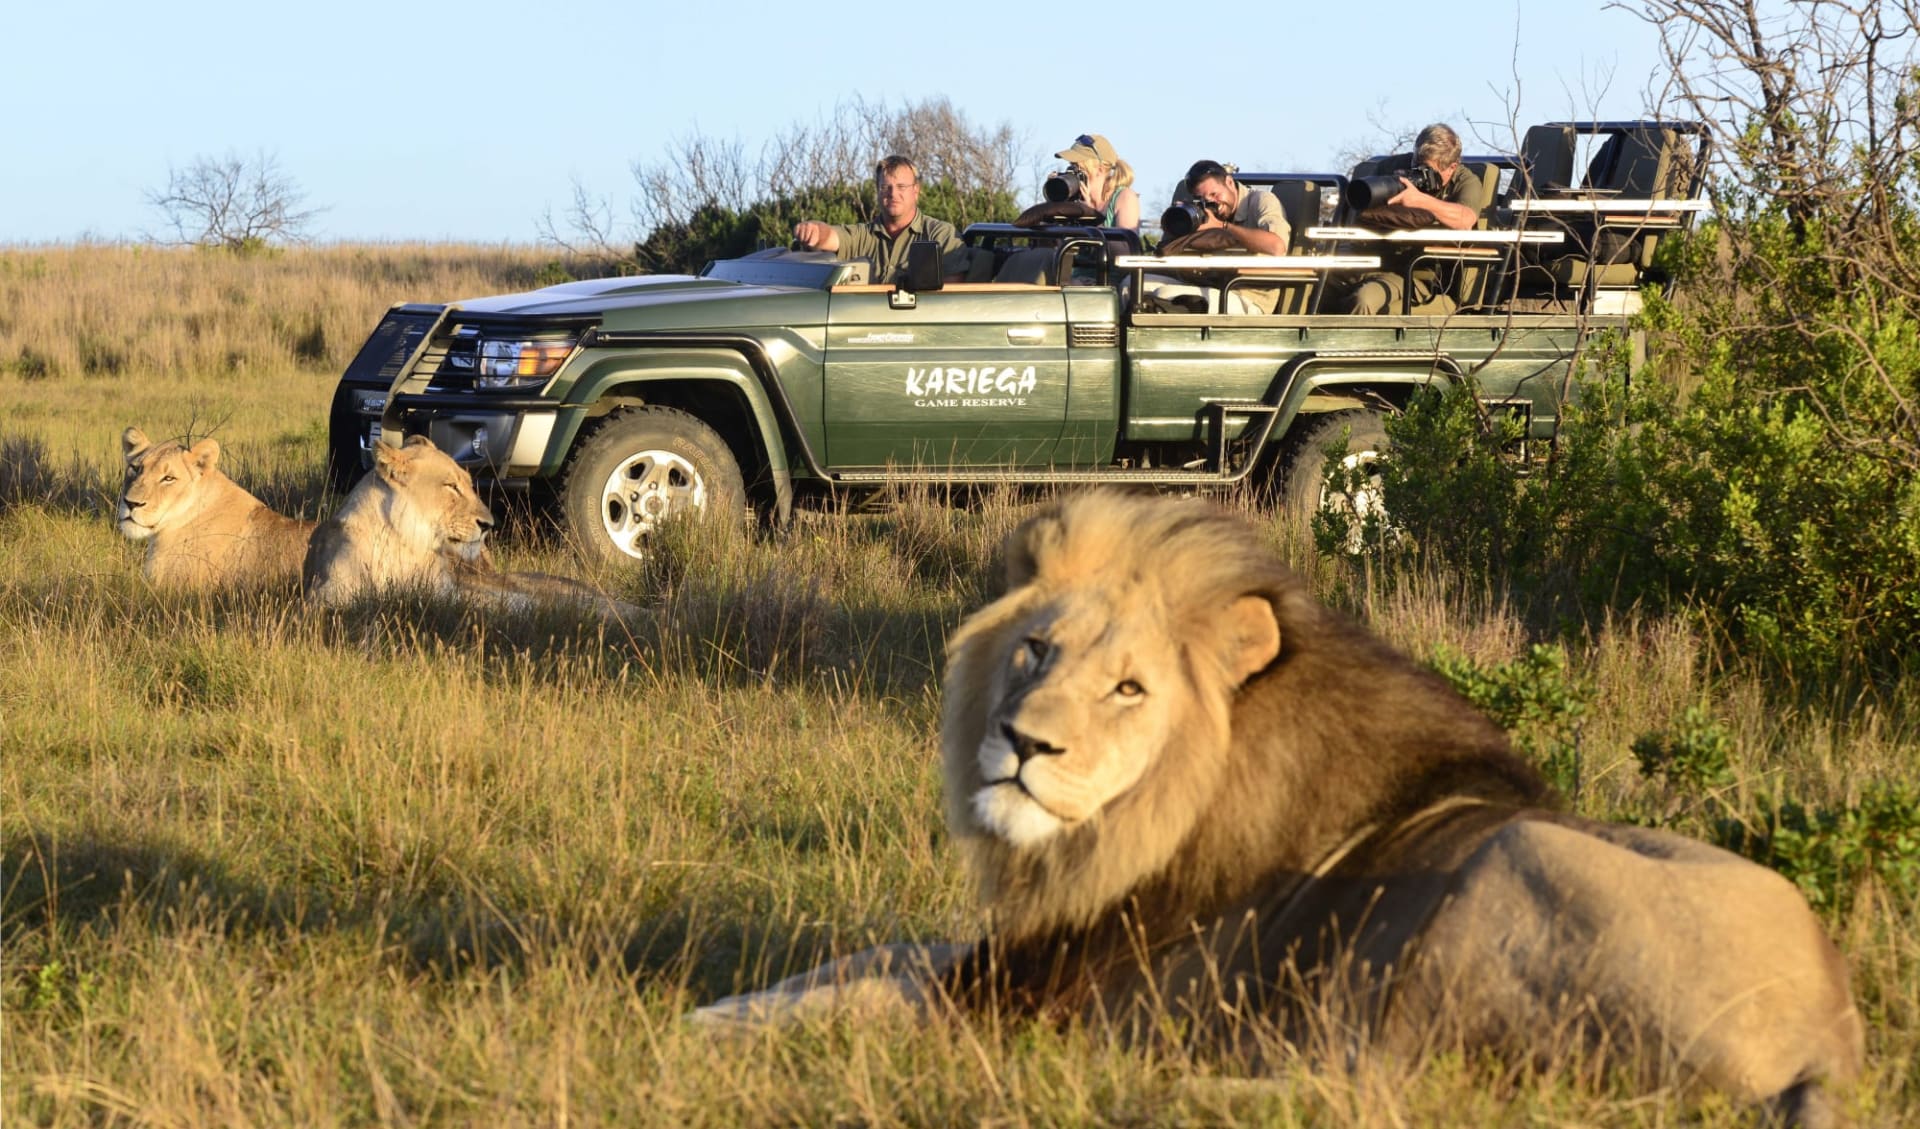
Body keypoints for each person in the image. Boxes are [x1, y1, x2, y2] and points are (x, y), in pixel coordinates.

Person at [1337, 123, 1490, 315]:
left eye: (1429, 172)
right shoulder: (1391, 168)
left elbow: (1465, 219)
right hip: (1368, 259)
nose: (1420, 175)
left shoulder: (1465, 181)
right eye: (1416, 166)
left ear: (1452, 167)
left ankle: (1354, 344)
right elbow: (1362, 208)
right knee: (1312, 288)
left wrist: (1421, 201)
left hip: (1416, 273)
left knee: (1364, 299)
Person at [792, 155, 968, 285]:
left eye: (901, 187)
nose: (893, 194)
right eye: (885, 187)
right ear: (877, 191)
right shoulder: (863, 236)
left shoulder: (941, 235)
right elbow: (831, 237)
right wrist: (814, 231)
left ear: (916, 191)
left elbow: (950, 297)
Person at [1148, 160, 1292, 314]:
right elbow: (1168, 251)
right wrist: (1180, 222)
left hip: (1245, 293)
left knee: (1165, 295)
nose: (1211, 202)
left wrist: (1223, 226)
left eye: (1214, 194)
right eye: (1202, 199)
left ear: (1229, 182)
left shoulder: (1261, 200)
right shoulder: (1202, 212)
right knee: (1130, 286)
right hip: (1205, 283)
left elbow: (1277, 246)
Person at [1055, 133, 1140, 230]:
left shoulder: (1124, 197)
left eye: (1078, 168)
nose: (1072, 173)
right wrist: (1056, 200)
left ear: (1100, 170)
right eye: (1071, 166)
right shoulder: (1073, 200)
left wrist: (1089, 215)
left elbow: (1125, 244)